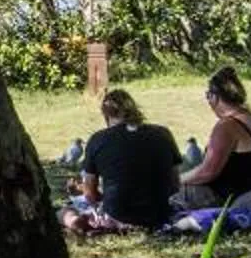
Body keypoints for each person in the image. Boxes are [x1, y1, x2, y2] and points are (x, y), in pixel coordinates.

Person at [68, 89, 182, 232]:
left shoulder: (97, 140)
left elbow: (90, 195)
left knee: (65, 211)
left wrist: (106, 196)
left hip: (118, 216)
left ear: (106, 114)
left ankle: (76, 221)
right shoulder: (163, 133)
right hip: (160, 215)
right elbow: (175, 184)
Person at [179, 65, 251, 210]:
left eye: (208, 95)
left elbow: (207, 172)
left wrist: (177, 180)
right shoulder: (249, 118)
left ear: (215, 97)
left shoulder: (227, 126)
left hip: (228, 199)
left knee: (165, 191)